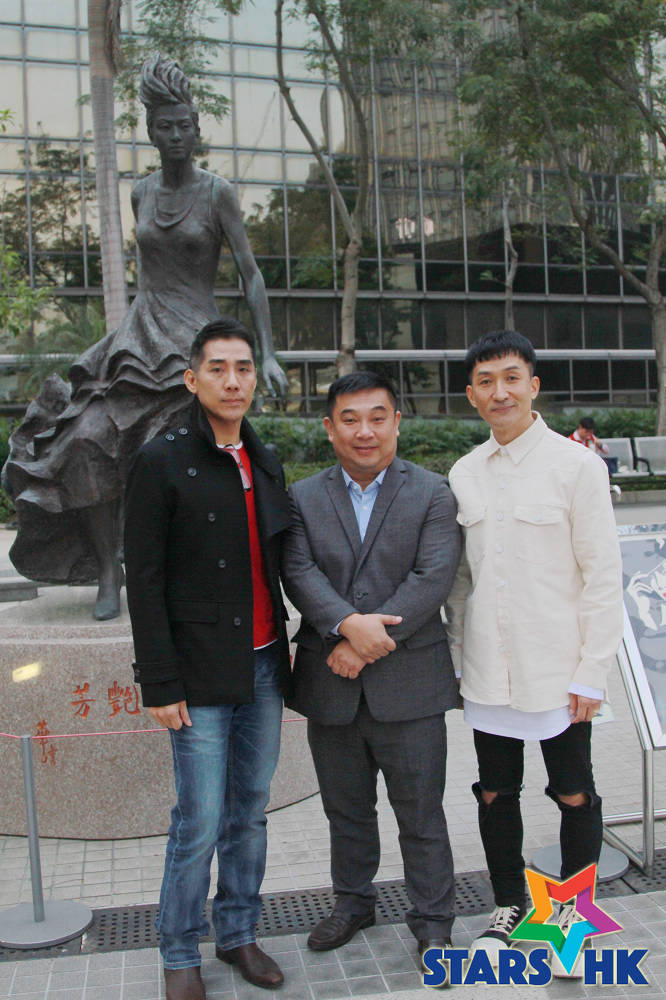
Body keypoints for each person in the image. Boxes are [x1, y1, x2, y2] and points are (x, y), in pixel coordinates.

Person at [3, 54, 287, 621]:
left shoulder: (218, 193)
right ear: (152, 133)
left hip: (194, 342)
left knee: (177, 456)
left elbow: (251, 275)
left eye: (184, 125)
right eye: (164, 126)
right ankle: (110, 570)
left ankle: (177, 567)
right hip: (137, 341)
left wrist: (268, 353)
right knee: (85, 441)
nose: (175, 135)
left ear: (197, 129)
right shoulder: (142, 193)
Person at [446, 330, 623, 977]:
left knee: (574, 793)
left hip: (559, 672)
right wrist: (459, 661)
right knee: (496, 792)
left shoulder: (577, 467)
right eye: (485, 381)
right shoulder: (464, 473)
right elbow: (460, 582)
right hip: (488, 671)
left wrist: (593, 672)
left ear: (533, 385)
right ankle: (508, 907)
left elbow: (603, 576)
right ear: (471, 395)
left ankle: (569, 922)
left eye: (511, 377)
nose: (500, 392)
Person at [124, 318, 291, 999]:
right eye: (217, 368)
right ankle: (177, 951)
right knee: (197, 821)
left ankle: (239, 933)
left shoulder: (264, 457)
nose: (233, 380)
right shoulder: (161, 459)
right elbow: (145, 580)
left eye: (243, 367)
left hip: (264, 666)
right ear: (192, 379)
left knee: (249, 810)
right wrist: (159, 682)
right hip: (197, 674)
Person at [281, 371, 461, 976]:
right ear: (329, 428)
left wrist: (359, 644)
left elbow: (432, 578)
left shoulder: (433, 492)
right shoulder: (303, 497)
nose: (365, 431)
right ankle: (354, 903)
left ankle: (434, 922)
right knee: (346, 810)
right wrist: (344, 624)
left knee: (421, 814)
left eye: (378, 417)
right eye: (350, 419)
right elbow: (298, 572)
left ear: (397, 422)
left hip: (409, 685)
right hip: (330, 687)